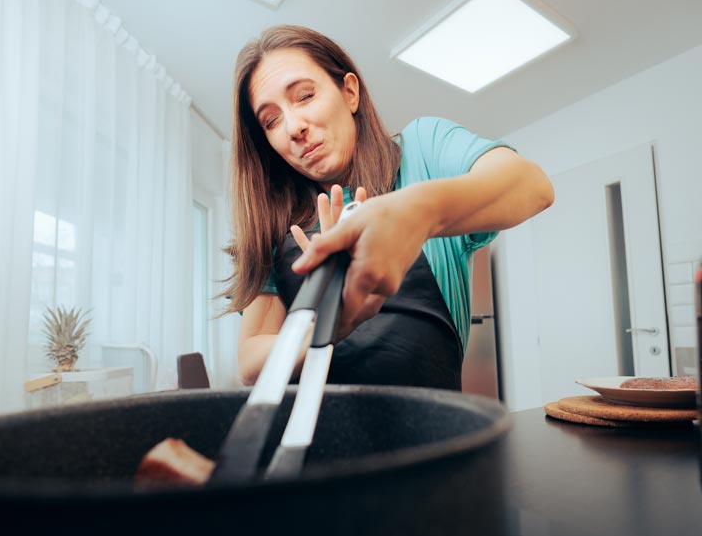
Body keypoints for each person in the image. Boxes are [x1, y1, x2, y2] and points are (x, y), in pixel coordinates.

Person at [223, 25, 554, 390]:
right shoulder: (275, 224)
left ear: (349, 92)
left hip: (433, 431)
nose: (293, 127)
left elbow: (531, 185)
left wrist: (414, 212)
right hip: (318, 441)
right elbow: (251, 362)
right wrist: (326, 328)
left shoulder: (421, 150)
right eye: (271, 121)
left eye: (304, 96)